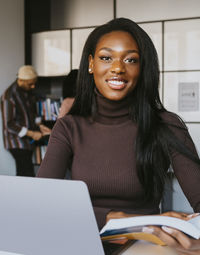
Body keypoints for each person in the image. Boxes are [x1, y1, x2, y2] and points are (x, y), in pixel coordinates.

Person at [37, 18, 200, 254]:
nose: (117, 68)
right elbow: (42, 201)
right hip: (80, 241)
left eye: (130, 59)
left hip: (143, 245)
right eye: (106, 57)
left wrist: (195, 238)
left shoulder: (167, 125)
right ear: (91, 64)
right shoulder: (69, 127)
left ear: (142, 68)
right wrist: (119, 217)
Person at [1, 65, 50, 177]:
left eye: (34, 83)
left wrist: (40, 125)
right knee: (26, 173)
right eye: (30, 84)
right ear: (21, 80)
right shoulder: (8, 96)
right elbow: (9, 124)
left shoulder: (28, 92)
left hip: (28, 140)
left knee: (26, 173)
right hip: (16, 142)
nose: (33, 86)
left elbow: (33, 113)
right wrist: (32, 134)